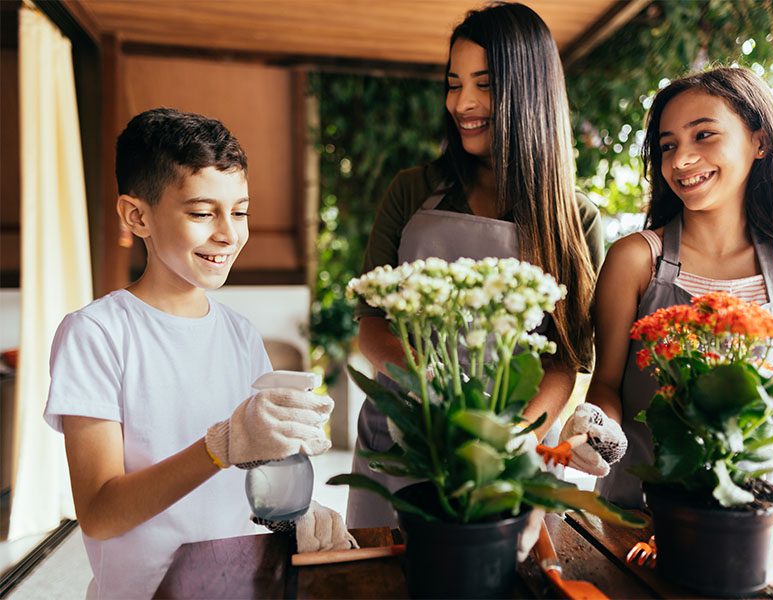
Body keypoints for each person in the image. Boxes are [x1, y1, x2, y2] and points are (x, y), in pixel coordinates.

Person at [44, 108, 353, 599]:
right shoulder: (96, 334)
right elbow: (100, 514)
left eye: (240, 210)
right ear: (137, 215)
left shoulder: (240, 335)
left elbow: (258, 474)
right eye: (202, 212)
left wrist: (298, 514)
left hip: (238, 584)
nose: (229, 233)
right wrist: (219, 447)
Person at [348, 2, 626, 533]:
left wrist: (514, 435)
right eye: (453, 84)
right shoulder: (410, 191)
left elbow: (567, 360)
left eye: (484, 83)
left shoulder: (574, 219)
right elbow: (372, 322)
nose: (463, 103)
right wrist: (428, 394)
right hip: (406, 436)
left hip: (510, 456)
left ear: (529, 91)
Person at [580, 66, 773, 508]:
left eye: (704, 135)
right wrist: (597, 428)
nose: (680, 161)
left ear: (760, 141)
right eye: (668, 146)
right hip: (634, 509)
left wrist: (748, 422)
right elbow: (606, 384)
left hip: (742, 514)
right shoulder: (636, 259)